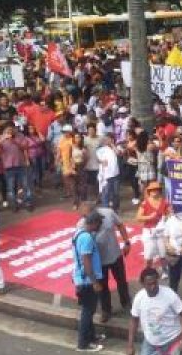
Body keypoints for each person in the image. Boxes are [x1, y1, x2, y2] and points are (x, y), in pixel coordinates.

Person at [77, 201, 132, 323]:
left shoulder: (108, 213)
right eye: (84, 216)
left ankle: (126, 302)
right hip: (99, 262)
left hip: (115, 255)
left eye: (88, 215)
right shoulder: (81, 225)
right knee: (103, 287)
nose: (86, 219)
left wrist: (126, 242)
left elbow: (120, 225)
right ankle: (106, 310)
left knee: (121, 280)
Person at [127, 267, 182, 355]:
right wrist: (130, 345)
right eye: (149, 284)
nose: (153, 287)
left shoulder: (169, 294)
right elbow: (134, 320)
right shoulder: (139, 298)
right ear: (142, 284)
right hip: (151, 343)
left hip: (173, 340)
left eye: (155, 283)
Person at [73, 211, 106, 352]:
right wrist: (94, 282)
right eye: (99, 222)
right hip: (87, 281)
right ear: (93, 223)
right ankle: (83, 343)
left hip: (83, 279)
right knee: (87, 312)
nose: (100, 225)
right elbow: (86, 262)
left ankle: (91, 336)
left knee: (90, 310)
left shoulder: (79, 233)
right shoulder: (86, 238)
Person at [137, 183, 169, 272]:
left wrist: (167, 216)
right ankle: (147, 272)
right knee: (148, 255)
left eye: (156, 189)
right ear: (149, 192)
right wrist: (149, 217)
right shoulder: (145, 203)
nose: (155, 192)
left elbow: (169, 213)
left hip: (161, 231)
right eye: (152, 190)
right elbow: (138, 217)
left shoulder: (165, 202)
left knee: (163, 253)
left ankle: (165, 271)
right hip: (149, 231)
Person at [96, 134, 121, 210]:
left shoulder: (116, 147)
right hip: (106, 175)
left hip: (115, 174)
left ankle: (115, 208)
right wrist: (101, 161)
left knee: (115, 193)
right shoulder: (101, 149)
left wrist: (113, 145)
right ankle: (105, 208)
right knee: (106, 192)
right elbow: (97, 159)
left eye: (110, 139)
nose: (108, 140)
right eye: (107, 139)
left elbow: (119, 153)